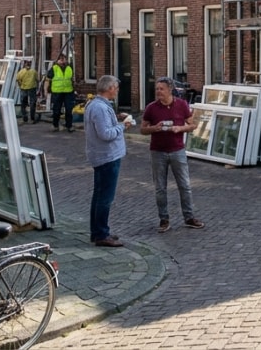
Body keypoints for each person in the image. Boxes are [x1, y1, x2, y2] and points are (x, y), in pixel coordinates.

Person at [139, 77, 205, 233]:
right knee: (160, 188)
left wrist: (179, 129)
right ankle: (164, 219)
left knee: (185, 186)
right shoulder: (151, 108)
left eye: (161, 89)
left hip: (177, 151)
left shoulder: (181, 105)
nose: (158, 92)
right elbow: (142, 130)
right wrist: (154, 128)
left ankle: (189, 217)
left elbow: (192, 125)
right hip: (158, 151)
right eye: (157, 89)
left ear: (170, 90)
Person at [85, 75, 132, 248]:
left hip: (102, 156)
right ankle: (101, 235)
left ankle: (97, 231)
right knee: (105, 197)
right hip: (107, 156)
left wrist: (116, 119)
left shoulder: (97, 105)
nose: (118, 90)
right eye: (116, 88)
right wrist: (123, 126)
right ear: (110, 88)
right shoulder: (100, 108)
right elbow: (105, 134)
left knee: (99, 195)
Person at [48, 53, 75, 132]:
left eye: (64, 59)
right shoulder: (54, 68)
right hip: (57, 92)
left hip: (68, 91)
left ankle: (69, 126)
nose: (63, 61)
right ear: (58, 60)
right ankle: (55, 125)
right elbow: (48, 79)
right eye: (61, 59)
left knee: (69, 109)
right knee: (56, 110)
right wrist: (46, 90)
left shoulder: (70, 68)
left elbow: (72, 79)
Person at [15, 59, 39, 124]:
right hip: (32, 88)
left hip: (23, 89)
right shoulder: (34, 71)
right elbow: (37, 80)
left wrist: (21, 86)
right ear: (30, 64)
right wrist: (37, 88)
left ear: (25, 64)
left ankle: (24, 118)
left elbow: (18, 80)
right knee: (32, 103)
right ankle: (32, 118)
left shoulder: (21, 72)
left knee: (23, 104)